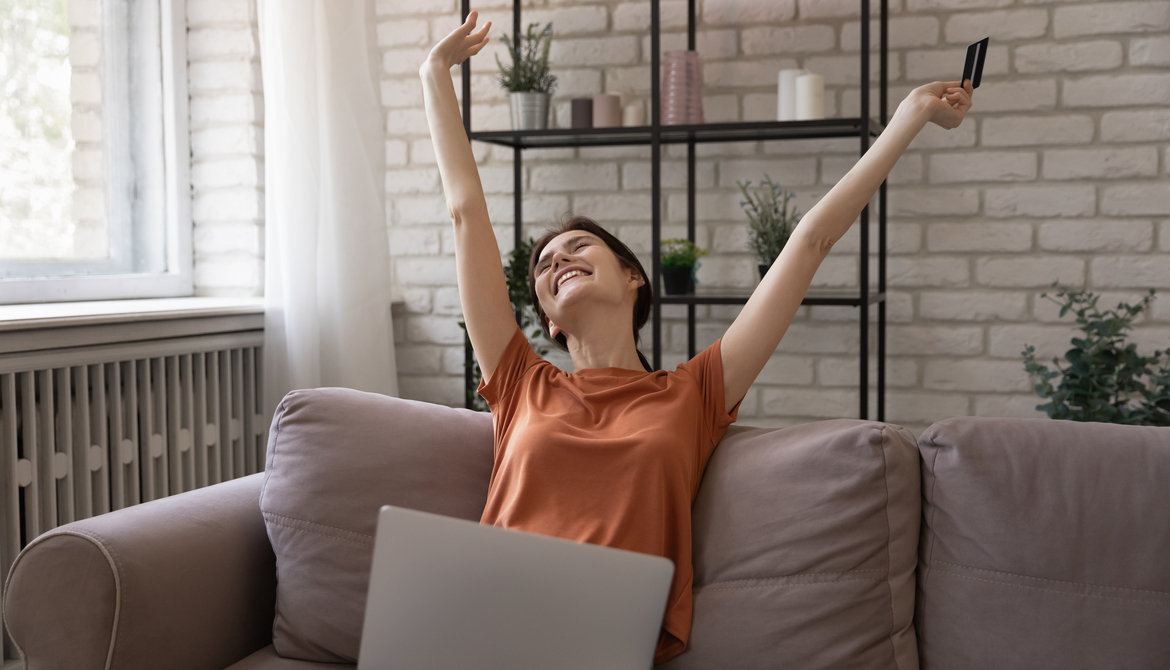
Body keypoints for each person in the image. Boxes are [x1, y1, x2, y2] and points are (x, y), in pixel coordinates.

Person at [419, 11, 974, 665]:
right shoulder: (519, 383)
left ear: (633, 280)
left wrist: (909, 117)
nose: (557, 260)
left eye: (578, 247)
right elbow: (465, 212)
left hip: (602, 644)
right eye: (543, 266)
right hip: (487, 626)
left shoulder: (693, 394)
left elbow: (810, 242)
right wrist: (433, 76)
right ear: (549, 320)